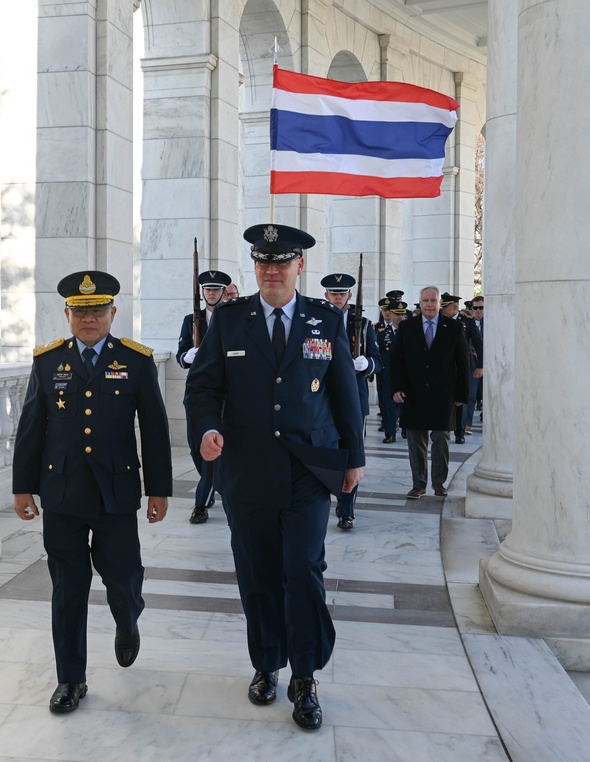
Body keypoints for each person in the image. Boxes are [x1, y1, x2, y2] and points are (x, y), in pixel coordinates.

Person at [185, 223, 365, 731]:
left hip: (309, 469)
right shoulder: (229, 321)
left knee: (303, 571)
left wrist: (354, 457)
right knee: (257, 573)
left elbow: (344, 393)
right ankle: (267, 663)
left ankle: (305, 676)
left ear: (299, 267)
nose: (271, 270)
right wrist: (206, 428)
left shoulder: (325, 320)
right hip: (247, 470)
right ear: (255, 268)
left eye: (281, 262)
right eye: (263, 263)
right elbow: (202, 389)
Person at [12, 270, 172, 715]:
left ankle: (127, 619)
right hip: (61, 493)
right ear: (67, 314)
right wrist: (23, 486)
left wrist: (158, 489)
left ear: (112, 314)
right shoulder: (47, 362)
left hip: (115, 494)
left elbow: (154, 430)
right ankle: (70, 679)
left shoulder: (136, 361)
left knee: (122, 579)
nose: (89, 319)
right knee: (68, 588)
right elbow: (30, 428)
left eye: (98, 310)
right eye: (80, 311)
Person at [390, 286, 470, 499]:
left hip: (443, 394)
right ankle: (418, 484)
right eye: (425, 300)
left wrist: (462, 394)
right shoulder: (407, 327)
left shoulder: (453, 328)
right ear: (420, 302)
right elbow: (396, 360)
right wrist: (396, 387)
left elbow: (463, 363)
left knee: (441, 438)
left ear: (439, 303)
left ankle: (438, 482)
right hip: (413, 393)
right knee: (415, 440)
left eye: (433, 300)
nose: (429, 304)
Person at [321, 273, 381, 530]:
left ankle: (346, 509)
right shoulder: (317, 321)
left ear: (348, 296)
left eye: (342, 293)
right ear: (326, 296)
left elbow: (379, 362)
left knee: (352, 452)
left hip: (355, 398)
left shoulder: (364, 325)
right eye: (333, 293)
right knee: (326, 451)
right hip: (322, 396)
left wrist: (367, 364)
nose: (337, 297)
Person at [177, 269, 232, 524]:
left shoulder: (232, 317)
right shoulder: (191, 320)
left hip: (224, 394)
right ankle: (209, 482)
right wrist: (189, 356)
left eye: (216, 289)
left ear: (223, 292)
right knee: (194, 446)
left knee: (211, 448)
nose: (211, 293)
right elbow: (180, 355)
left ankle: (201, 502)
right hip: (196, 393)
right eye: (208, 289)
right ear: (203, 293)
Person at [440, 292, 471, 444]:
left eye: (445, 307)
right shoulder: (440, 321)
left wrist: (479, 366)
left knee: (460, 402)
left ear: (455, 307)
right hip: (445, 369)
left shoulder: (466, 322)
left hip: (461, 368)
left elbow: (477, 342)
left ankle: (460, 433)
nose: (443, 310)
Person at [375, 293, 406, 444]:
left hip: (406, 374)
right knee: (388, 404)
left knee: (406, 403)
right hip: (388, 373)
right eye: (396, 314)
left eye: (402, 315)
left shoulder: (410, 332)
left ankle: (406, 429)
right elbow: (378, 353)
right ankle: (390, 433)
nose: (399, 318)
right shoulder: (383, 334)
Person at [462, 296, 484, 433]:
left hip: (491, 364)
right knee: (471, 395)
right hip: (474, 364)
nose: (478, 311)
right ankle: (466, 424)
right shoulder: (467, 323)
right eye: (475, 308)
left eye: (481, 308)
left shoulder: (493, 322)